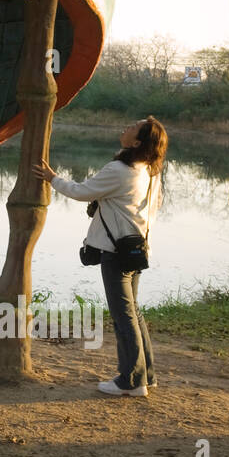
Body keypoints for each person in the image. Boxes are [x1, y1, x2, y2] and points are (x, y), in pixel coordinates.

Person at [32, 116, 167, 398]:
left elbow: (81, 191)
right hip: (136, 249)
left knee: (123, 316)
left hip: (116, 252)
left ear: (137, 142)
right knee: (133, 312)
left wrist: (52, 178)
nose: (126, 126)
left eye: (133, 126)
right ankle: (146, 374)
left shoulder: (120, 170)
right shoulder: (150, 171)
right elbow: (152, 209)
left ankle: (130, 381)